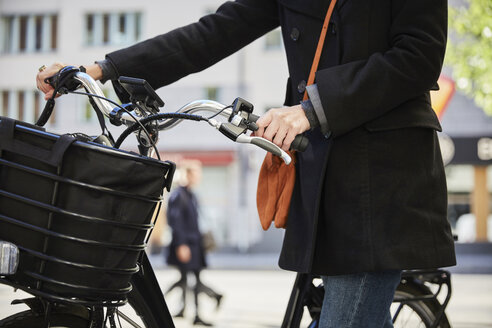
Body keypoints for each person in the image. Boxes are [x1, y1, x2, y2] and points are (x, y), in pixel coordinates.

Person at [37, 1, 456, 326]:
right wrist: (102, 69)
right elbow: (215, 31)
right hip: (325, 178)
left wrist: (311, 109)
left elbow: (419, 54)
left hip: (384, 188)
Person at [165, 160, 222, 326]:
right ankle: (196, 314)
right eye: (196, 174)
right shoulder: (178, 195)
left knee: (190, 279)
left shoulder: (191, 195)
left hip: (195, 245)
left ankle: (190, 312)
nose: (199, 178)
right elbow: (175, 222)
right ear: (188, 174)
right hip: (187, 245)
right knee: (191, 280)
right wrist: (182, 245)